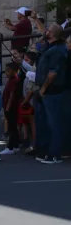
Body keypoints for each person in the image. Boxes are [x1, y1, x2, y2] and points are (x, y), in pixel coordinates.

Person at [34, 24, 68, 164]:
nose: (45, 32)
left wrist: (43, 88)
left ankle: (55, 154)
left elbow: (53, 73)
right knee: (45, 123)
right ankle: (44, 150)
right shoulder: (50, 48)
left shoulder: (57, 51)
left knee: (54, 123)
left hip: (53, 92)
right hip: (45, 91)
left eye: (47, 30)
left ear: (52, 34)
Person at [0, 62, 22, 155]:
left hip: (11, 107)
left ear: (14, 71)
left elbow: (12, 95)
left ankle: (10, 147)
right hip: (9, 107)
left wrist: (8, 107)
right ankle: (16, 145)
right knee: (13, 127)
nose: (6, 73)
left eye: (8, 71)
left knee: (11, 128)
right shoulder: (12, 80)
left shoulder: (14, 80)